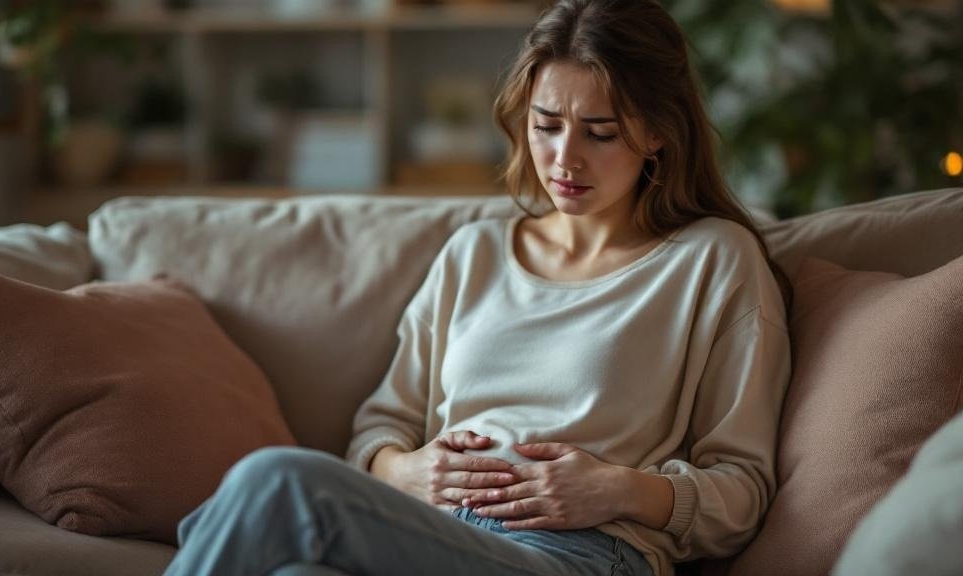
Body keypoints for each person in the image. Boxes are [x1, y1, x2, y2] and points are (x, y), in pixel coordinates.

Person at [163, 1, 792, 575]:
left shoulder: (712, 260)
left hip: (580, 554)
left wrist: (617, 488)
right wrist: (407, 471)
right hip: (430, 536)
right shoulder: (476, 254)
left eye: (599, 132)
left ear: (658, 132)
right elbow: (382, 428)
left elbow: (742, 489)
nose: (565, 160)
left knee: (279, 482)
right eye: (547, 126)